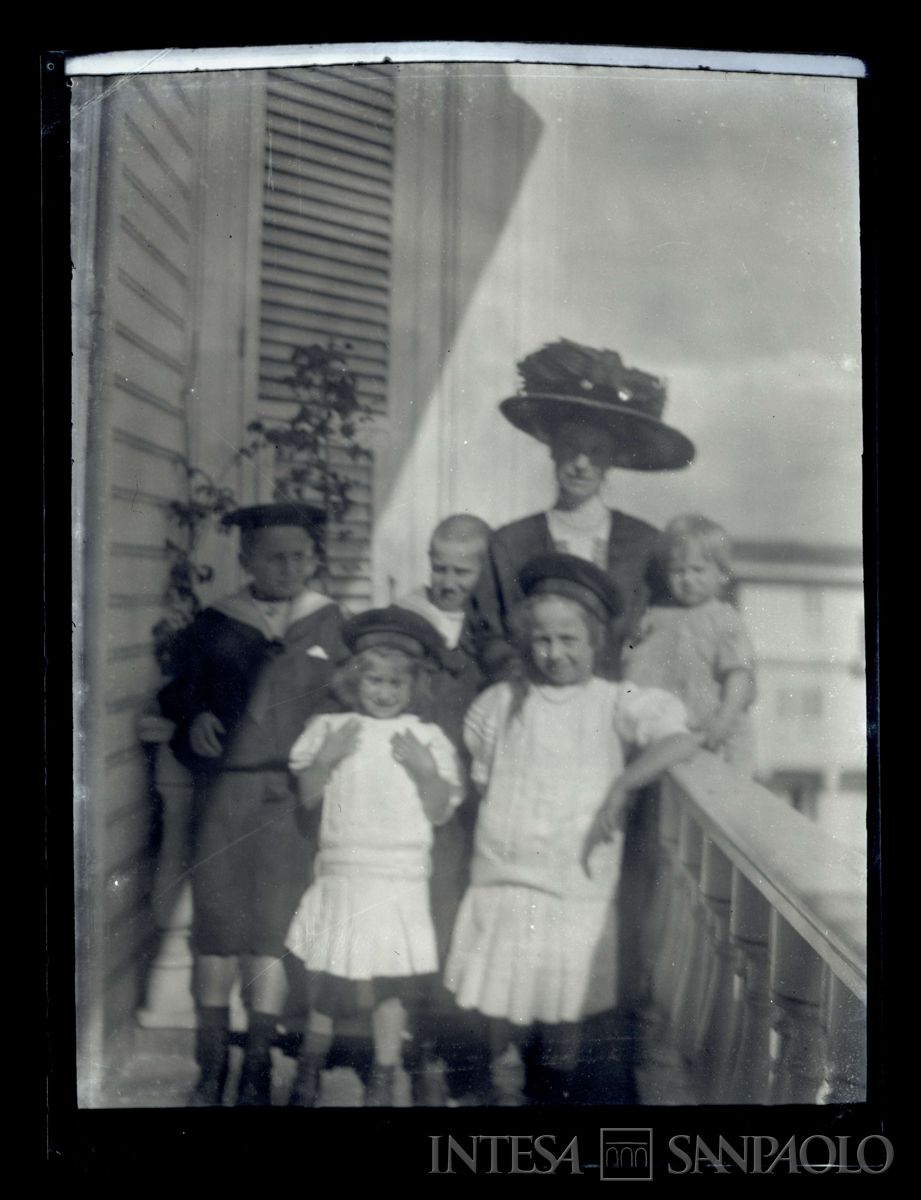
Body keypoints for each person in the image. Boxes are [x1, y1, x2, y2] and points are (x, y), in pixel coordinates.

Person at [445, 553, 698, 1105]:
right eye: (542, 641)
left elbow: (679, 739)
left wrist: (623, 783)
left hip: (575, 884)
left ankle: (551, 1097)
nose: (554, 653)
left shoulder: (614, 701)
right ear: (526, 641)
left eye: (569, 640)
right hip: (506, 877)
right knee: (499, 1001)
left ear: (596, 641)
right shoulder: (501, 702)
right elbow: (486, 778)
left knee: (566, 1005)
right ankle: (496, 1091)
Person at [157, 502, 348, 1107]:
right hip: (227, 792)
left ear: (313, 560)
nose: (290, 568)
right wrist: (196, 716)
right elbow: (177, 691)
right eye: (275, 557)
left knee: (272, 925)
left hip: (290, 798)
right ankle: (212, 1064)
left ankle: (260, 1060)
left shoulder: (330, 624)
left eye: (300, 556)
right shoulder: (215, 624)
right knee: (217, 922)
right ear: (246, 561)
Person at [284, 607, 463, 1108]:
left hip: (398, 876)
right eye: (374, 681)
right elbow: (308, 796)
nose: (384, 692)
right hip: (345, 870)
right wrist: (325, 758)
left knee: (391, 982)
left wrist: (428, 772)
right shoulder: (332, 726)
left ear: (415, 685)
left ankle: (384, 1077)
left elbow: (440, 810)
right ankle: (310, 1068)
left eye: (396, 683)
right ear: (353, 679)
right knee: (332, 978)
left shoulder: (427, 738)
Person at [472, 338, 696, 683]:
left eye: (596, 451)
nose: (580, 464)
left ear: (612, 460)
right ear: (551, 449)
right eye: (570, 447)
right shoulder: (510, 544)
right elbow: (488, 634)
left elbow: (672, 628)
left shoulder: (645, 544)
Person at [394, 513, 493, 1102]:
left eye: (463, 569)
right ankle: (419, 1042)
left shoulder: (491, 627)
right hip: (420, 788)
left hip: (481, 794)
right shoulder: (408, 615)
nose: (449, 580)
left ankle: (467, 1054)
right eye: (440, 566)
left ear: (484, 569)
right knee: (426, 909)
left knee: (472, 917)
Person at [623, 514, 757, 772]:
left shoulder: (724, 619)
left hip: (712, 734)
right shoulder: (655, 617)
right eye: (678, 571)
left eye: (698, 570)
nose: (688, 579)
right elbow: (634, 664)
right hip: (666, 736)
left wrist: (723, 720)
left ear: (722, 573)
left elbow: (738, 676)